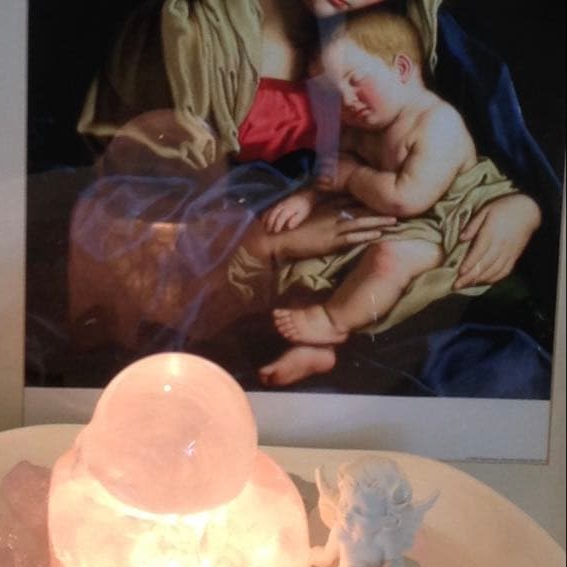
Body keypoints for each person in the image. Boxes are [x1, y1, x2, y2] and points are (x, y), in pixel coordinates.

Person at [69, 0, 550, 394]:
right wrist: (268, 241)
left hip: (405, 246)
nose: (347, 104)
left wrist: (523, 208)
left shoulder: (417, 34)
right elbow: (134, 200)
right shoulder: (187, 32)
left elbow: (514, 162)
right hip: (237, 256)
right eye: (334, 94)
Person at [251, 9, 518, 385]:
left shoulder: (437, 123)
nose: (347, 100)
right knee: (304, 265)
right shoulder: (360, 125)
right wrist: (306, 200)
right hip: (378, 214)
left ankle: (333, 321)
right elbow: (330, 174)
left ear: (402, 69)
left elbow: (407, 200)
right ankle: (316, 348)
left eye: (355, 81)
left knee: (388, 260)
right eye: (332, 93)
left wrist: (353, 176)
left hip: (440, 227)